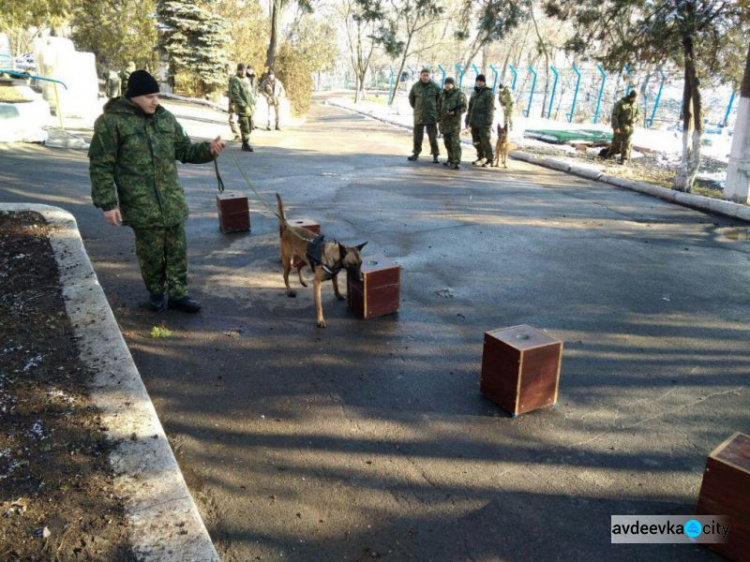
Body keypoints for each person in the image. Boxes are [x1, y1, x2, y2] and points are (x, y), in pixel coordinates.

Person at [88, 70, 225, 313]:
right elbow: (101, 165)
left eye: (157, 96)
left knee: (176, 252)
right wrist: (107, 204)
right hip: (141, 203)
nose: (155, 101)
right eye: (149, 96)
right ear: (134, 96)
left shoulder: (166, 119)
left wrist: (208, 150)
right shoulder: (111, 123)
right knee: (151, 253)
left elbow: (185, 151)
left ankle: (178, 295)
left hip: (171, 201)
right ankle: (156, 294)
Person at [407, 67, 441, 163]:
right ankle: (416, 153)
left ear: (429, 76)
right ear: (420, 75)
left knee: (433, 137)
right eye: (423, 75)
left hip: (431, 116)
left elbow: (440, 100)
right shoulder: (415, 86)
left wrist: (436, 111)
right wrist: (417, 108)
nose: (425, 77)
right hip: (419, 115)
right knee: (417, 136)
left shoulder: (435, 87)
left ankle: (435, 155)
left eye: (427, 75)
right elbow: (411, 99)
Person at [437, 77, 467, 170]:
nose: (447, 85)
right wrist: (438, 118)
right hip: (444, 122)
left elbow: (464, 107)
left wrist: (455, 112)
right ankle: (450, 159)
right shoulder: (442, 94)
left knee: (455, 143)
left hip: (454, 123)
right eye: (446, 83)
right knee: (447, 142)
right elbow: (438, 106)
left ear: (453, 84)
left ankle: (456, 161)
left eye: (449, 83)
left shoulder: (459, 94)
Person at [465, 74, 494, 167]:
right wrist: (467, 120)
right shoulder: (474, 93)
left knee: (485, 141)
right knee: (476, 141)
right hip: (474, 122)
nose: (479, 82)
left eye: (481, 81)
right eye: (477, 81)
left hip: (484, 122)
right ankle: (481, 156)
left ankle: (489, 159)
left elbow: (490, 109)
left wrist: (489, 122)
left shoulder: (488, 93)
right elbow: (470, 108)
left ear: (484, 82)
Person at [605, 90, 640, 164]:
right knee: (615, 143)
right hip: (620, 127)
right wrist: (616, 127)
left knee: (627, 143)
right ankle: (609, 155)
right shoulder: (621, 103)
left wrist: (635, 119)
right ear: (632, 96)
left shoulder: (636, 104)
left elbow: (639, 114)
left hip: (629, 128)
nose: (637, 99)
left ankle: (624, 159)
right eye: (636, 97)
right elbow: (614, 116)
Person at [229, 63, 255, 152]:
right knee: (245, 125)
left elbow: (250, 93)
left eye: (244, 70)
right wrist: (242, 105)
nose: (243, 72)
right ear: (238, 70)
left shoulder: (246, 80)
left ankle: (246, 141)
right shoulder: (235, 80)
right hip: (242, 108)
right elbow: (235, 94)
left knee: (250, 126)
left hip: (250, 107)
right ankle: (245, 144)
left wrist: (253, 104)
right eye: (241, 70)